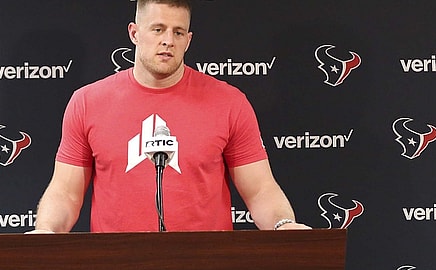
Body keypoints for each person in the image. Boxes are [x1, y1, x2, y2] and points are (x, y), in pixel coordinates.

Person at [30, 0, 309, 233]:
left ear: (188, 41)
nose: (167, 41)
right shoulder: (87, 102)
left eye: (178, 32)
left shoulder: (229, 102)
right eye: (158, 29)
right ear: (135, 33)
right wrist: (46, 231)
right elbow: (66, 192)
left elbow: (260, 189)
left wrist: (283, 225)